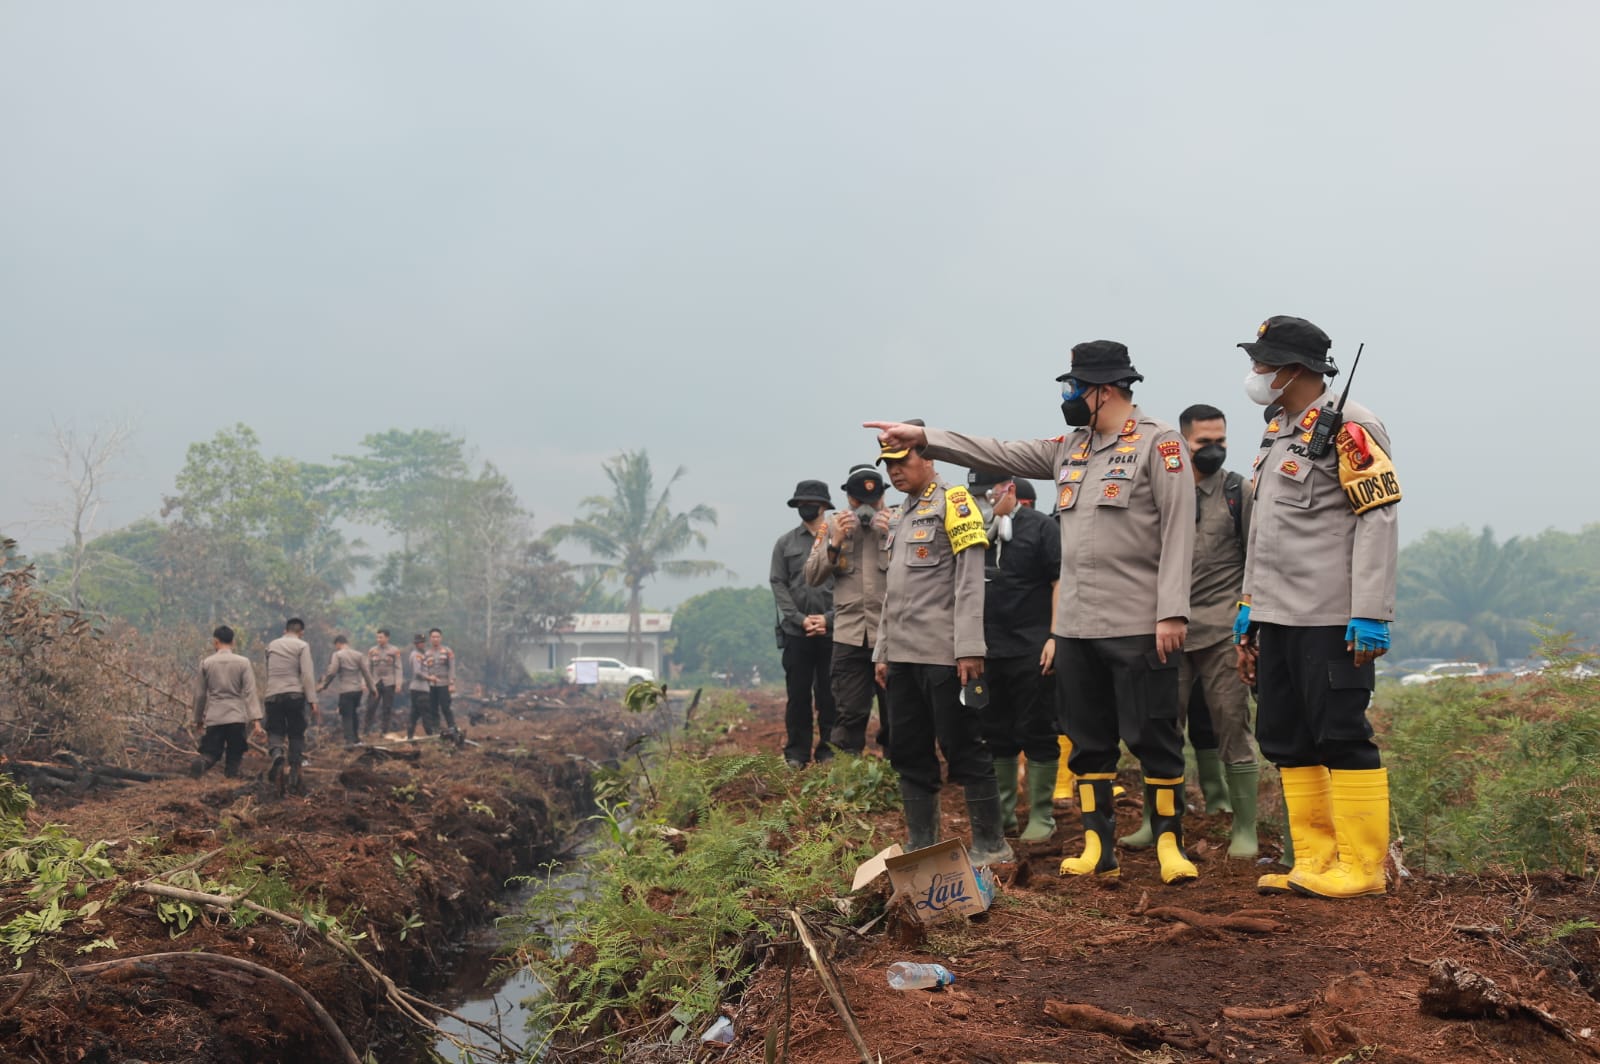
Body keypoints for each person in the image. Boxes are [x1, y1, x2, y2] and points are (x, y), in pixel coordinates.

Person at [867, 339, 1198, 885]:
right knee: (1087, 739)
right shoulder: (1071, 446)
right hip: (1075, 625)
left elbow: (1178, 529)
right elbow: (998, 451)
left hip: (1139, 621)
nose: (1067, 396)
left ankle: (1169, 845)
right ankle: (1099, 845)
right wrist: (925, 438)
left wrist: (1173, 612)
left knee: (1154, 734)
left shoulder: (1159, 444)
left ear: (1104, 390)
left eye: (1073, 388)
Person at [1233, 315, 1400, 898]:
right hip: (1276, 616)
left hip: (1332, 617)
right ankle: (1316, 861)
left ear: (1293, 369)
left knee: (1340, 733)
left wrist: (1372, 611)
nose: (1254, 373)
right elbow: (1265, 530)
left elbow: (1376, 518)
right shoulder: (1276, 429)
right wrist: (1249, 605)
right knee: (1283, 735)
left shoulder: (1352, 425)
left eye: (1262, 363)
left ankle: (1362, 868)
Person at [1120, 404, 1261, 858]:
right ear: (1182, 444)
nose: (1215, 450)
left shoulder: (1239, 491)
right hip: (1167, 631)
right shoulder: (1159, 491)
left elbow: (1257, 556)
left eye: (1221, 441)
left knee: (1233, 727)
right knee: (1160, 730)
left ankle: (1245, 830)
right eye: (1205, 443)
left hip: (1224, 631)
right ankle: (1156, 822)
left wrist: (1250, 618)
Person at [871, 432, 1012, 866]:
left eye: (901, 461)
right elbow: (893, 591)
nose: (894, 471)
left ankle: (991, 845)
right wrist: (882, 650)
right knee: (908, 749)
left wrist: (969, 647)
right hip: (903, 657)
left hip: (946, 656)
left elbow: (970, 580)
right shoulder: (899, 515)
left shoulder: (955, 503)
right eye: (888, 465)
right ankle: (923, 843)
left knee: (963, 745)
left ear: (926, 458)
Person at [967, 468, 1062, 843]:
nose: (981, 502)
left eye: (986, 494)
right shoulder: (972, 530)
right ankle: (1003, 813)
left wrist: (1055, 636)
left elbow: (1059, 582)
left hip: (1033, 647)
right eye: (975, 495)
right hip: (987, 650)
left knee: (1037, 728)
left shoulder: (1040, 528)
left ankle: (1041, 815)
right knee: (994, 732)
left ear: (1007, 489)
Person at [804, 464, 894, 754]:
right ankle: (848, 781)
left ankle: (902, 778)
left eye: (873, 501)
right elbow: (812, 576)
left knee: (898, 716)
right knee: (849, 715)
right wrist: (835, 542)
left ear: (882, 497)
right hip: (849, 637)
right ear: (849, 499)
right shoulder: (830, 526)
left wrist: (892, 536)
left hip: (892, 636)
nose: (866, 508)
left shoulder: (899, 523)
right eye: (859, 502)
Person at [770, 480, 837, 767]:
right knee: (797, 696)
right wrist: (798, 619)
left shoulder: (839, 539)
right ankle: (796, 753)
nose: (805, 507)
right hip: (796, 633)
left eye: (810, 502)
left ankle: (829, 751)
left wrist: (828, 619)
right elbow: (778, 583)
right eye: (801, 503)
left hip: (832, 631)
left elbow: (851, 584)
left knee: (830, 696)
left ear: (824, 506)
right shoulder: (786, 543)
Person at [190, 625, 265, 779]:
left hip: (215, 716)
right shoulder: (243, 662)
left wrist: (198, 719)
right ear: (233, 642)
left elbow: (200, 694)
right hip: (236, 716)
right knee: (235, 753)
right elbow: (250, 692)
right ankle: (231, 778)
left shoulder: (206, 663)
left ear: (215, 642)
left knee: (211, 752)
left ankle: (203, 763)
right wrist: (256, 721)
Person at [263, 617, 319, 794]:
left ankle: (277, 754)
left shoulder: (271, 645)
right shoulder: (302, 646)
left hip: (272, 694)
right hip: (294, 694)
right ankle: (294, 770)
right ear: (301, 632)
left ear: (285, 630)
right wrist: (312, 700)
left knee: (275, 730)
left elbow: (268, 670)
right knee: (296, 732)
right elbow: (307, 675)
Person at [320, 634, 375, 748]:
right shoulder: (358, 655)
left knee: (347, 715)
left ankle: (349, 741)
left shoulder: (337, 655)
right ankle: (356, 739)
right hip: (357, 690)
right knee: (354, 713)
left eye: (336, 646)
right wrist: (373, 688)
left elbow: (332, 672)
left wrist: (324, 685)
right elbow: (366, 673)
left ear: (338, 644)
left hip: (345, 690)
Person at [423, 628, 460, 741]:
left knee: (445, 707)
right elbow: (424, 669)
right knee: (433, 709)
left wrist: (452, 683)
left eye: (437, 637)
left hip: (444, 684)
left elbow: (452, 667)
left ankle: (453, 729)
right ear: (430, 639)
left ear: (441, 638)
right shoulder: (427, 653)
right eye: (433, 637)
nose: (435, 639)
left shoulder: (447, 651)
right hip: (431, 685)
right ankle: (436, 731)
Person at [365, 629, 404, 735]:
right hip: (375, 682)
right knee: (371, 706)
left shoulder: (394, 650)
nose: (379, 639)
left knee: (387, 707)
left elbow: (398, 668)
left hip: (389, 682)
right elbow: (368, 668)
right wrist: (365, 683)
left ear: (387, 638)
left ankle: (384, 731)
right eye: (377, 637)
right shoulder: (372, 650)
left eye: (381, 637)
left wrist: (398, 683)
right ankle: (366, 730)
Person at [406, 633, 435, 738]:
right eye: (419, 643)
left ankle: (410, 735)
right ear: (416, 644)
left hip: (420, 688)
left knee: (414, 713)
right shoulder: (416, 655)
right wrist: (429, 678)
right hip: (420, 688)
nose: (422, 644)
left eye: (423, 642)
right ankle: (430, 735)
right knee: (426, 712)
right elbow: (417, 672)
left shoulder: (423, 655)